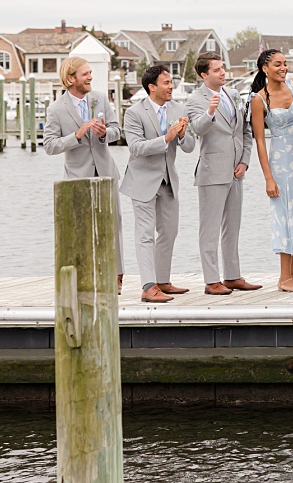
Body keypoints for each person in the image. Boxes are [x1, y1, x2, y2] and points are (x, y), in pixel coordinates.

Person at [43, 57, 125, 291]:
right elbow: (49, 146)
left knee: (114, 225)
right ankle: (83, 276)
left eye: (90, 73)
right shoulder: (56, 109)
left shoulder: (100, 99)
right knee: (80, 229)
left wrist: (103, 133)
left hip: (106, 173)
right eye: (85, 74)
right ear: (71, 78)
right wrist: (76, 136)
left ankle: (116, 276)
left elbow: (117, 130)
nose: (90, 77)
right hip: (77, 178)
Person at [186, 51, 259, 296]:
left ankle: (232, 276)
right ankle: (211, 280)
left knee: (233, 226)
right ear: (203, 74)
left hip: (236, 171)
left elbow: (245, 132)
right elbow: (197, 129)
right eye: (217, 70)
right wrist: (209, 112)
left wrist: (245, 162)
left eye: (223, 68)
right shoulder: (195, 99)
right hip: (212, 172)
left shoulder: (235, 95)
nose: (223, 72)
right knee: (210, 228)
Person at [120, 64, 194, 303]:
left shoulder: (178, 108)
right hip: (141, 181)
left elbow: (190, 147)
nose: (171, 86)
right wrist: (166, 138)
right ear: (152, 87)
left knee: (169, 232)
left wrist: (182, 135)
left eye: (171, 82)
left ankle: (163, 281)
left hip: (168, 181)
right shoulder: (134, 113)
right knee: (145, 235)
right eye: (166, 83)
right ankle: (148, 287)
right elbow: (135, 148)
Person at [249, 48, 293, 292]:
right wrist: (268, 178)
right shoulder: (259, 99)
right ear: (265, 68)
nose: (283, 68)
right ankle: (284, 277)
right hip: (281, 162)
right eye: (277, 64)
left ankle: (290, 276)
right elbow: (259, 141)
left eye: (285, 63)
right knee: (287, 216)